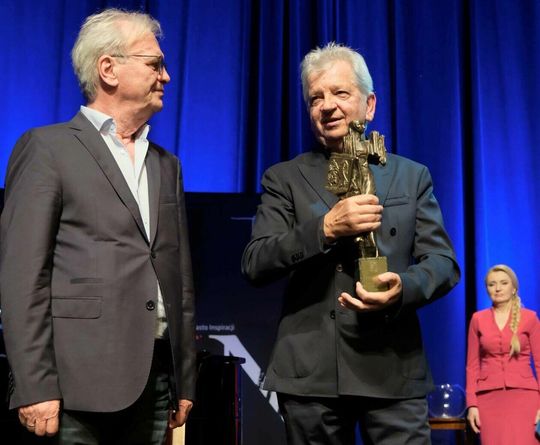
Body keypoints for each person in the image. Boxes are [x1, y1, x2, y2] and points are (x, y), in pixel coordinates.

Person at [241, 42, 460, 445]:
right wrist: (325, 228)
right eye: (316, 98)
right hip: (312, 373)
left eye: (341, 93)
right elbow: (256, 262)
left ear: (369, 104)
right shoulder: (283, 178)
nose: (328, 106)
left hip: (393, 366)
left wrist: (403, 288)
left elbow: (442, 262)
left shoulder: (411, 176)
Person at [0, 8, 195, 444]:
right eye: (155, 64)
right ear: (108, 69)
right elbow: (22, 278)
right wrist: (34, 385)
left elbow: (178, 278)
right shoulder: (47, 149)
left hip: (154, 382)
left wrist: (184, 379)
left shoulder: (167, 164)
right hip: (74, 388)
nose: (166, 76)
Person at [466, 264, 540, 444]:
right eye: (492, 284)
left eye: (503, 283)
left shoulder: (530, 318)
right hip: (488, 399)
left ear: (513, 288)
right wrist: (472, 404)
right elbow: (472, 366)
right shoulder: (478, 319)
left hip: (525, 398)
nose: (497, 288)